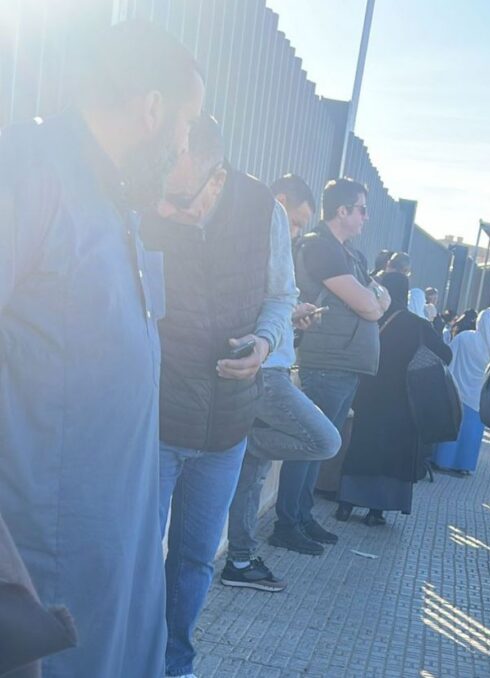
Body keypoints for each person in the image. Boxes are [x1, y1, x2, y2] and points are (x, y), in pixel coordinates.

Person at [0, 20, 203, 677]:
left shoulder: (119, 204)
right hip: (46, 590)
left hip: (117, 575)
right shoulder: (27, 170)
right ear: (152, 108)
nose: (185, 147)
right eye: (188, 125)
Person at [141, 115, 296, 677]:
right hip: (155, 422)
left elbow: (283, 296)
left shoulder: (263, 209)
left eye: (187, 193)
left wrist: (264, 342)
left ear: (215, 166)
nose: (177, 206)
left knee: (194, 564)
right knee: (134, 562)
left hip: (227, 427)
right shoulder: (146, 197)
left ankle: (174, 666)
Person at [223, 174, 341, 583]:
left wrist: (293, 319)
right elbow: (245, 310)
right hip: (267, 374)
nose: (295, 231)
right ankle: (246, 440)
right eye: (295, 220)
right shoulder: (254, 242)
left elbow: (267, 312)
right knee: (325, 440)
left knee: (253, 477)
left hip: (274, 366)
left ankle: (239, 560)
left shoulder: (275, 253)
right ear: (278, 201)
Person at [270, 178, 391, 553]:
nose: (366, 217)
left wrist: (372, 299)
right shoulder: (321, 249)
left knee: (322, 448)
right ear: (342, 211)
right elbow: (372, 304)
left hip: (346, 363)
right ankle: (287, 522)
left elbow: (381, 298)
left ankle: (302, 516)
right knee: (309, 445)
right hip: (326, 362)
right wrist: (372, 300)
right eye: (361, 209)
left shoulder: (350, 254)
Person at [335, 272, 452, 524]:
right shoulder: (417, 324)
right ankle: (375, 512)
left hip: (367, 396)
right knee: (391, 454)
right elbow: (445, 354)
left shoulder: (367, 316)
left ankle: (345, 504)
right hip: (403, 401)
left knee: (362, 448)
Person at [432, 308, 490, 474]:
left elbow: (449, 359)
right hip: (478, 397)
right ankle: (464, 465)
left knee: (452, 426)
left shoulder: (464, 337)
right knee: (471, 432)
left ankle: (442, 461)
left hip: (457, 391)